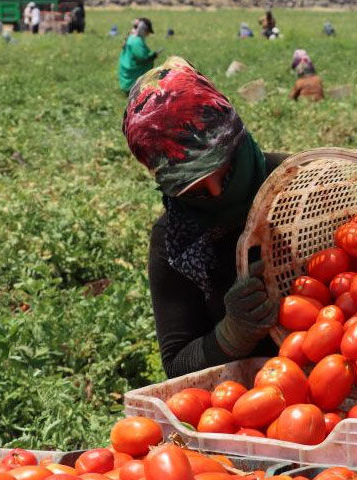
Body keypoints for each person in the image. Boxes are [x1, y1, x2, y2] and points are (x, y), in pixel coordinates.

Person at [121, 56, 293, 378]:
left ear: (237, 138)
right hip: (255, 397)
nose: (217, 193)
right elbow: (177, 363)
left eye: (226, 170)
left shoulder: (299, 183)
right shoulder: (174, 240)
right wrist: (231, 334)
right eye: (195, 189)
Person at [118, 18, 160, 94]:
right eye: (147, 31)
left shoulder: (131, 37)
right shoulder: (136, 41)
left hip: (127, 71)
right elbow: (143, 58)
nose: (147, 34)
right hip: (133, 75)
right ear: (143, 29)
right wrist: (153, 56)